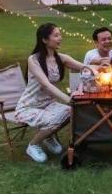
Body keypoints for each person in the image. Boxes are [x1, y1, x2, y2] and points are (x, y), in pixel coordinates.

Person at [14, 23, 85, 163]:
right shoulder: (33, 59)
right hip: (30, 106)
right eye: (56, 35)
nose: (60, 38)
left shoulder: (61, 58)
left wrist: (102, 65)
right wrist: (68, 99)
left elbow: (84, 67)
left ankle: (48, 136)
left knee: (73, 112)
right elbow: (46, 84)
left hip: (48, 105)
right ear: (45, 40)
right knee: (58, 117)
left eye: (60, 35)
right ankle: (32, 145)